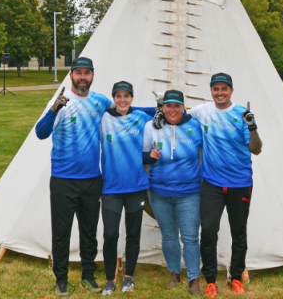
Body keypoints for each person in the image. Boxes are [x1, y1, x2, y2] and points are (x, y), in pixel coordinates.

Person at [152, 73, 262, 297]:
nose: (220, 93)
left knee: (238, 232)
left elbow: (256, 148)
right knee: (209, 231)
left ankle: (237, 277)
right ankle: (211, 279)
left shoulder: (241, 114)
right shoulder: (203, 111)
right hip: (211, 183)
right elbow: (177, 113)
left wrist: (251, 126)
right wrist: (157, 113)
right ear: (211, 91)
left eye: (224, 89)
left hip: (240, 183)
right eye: (216, 89)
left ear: (231, 90)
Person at [36, 57, 112, 297]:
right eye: (78, 72)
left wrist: (162, 109)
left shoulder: (100, 101)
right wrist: (53, 110)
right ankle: (61, 279)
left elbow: (125, 110)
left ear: (92, 76)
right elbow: (40, 133)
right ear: (71, 75)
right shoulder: (61, 102)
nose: (82, 77)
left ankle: (88, 276)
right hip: (63, 179)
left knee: (89, 232)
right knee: (61, 233)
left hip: (91, 179)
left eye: (86, 73)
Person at [143, 89, 203, 296]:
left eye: (177, 105)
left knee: (190, 238)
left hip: (189, 192)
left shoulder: (195, 125)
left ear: (183, 107)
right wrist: (149, 156)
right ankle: (174, 274)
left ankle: (193, 279)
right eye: (168, 105)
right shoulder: (151, 126)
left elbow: (207, 151)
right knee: (168, 236)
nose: (172, 109)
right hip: (159, 192)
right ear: (162, 107)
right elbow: (143, 156)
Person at [99, 81, 153, 295]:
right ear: (113, 98)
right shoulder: (103, 119)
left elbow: (162, 117)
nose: (122, 100)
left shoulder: (141, 118)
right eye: (118, 96)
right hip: (111, 188)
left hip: (136, 187)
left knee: (133, 233)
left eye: (126, 96)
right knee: (111, 234)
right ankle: (110, 279)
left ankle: (128, 277)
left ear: (132, 98)